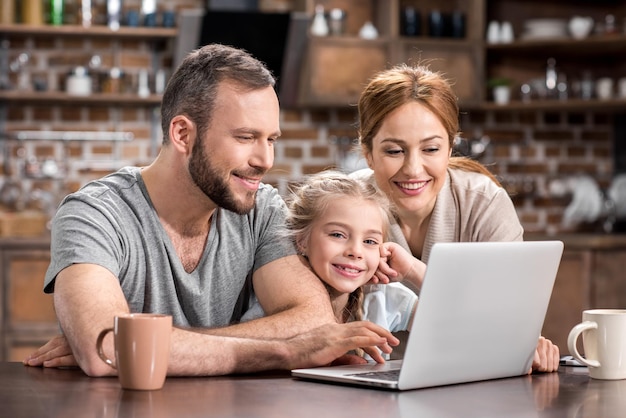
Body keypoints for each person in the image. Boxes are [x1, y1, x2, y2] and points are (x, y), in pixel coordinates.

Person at [23, 44, 398, 376]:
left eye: (271, 140)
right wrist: (283, 351)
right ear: (183, 134)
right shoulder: (93, 215)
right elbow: (103, 351)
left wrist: (142, 346)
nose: (265, 159)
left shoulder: (260, 208)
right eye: (246, 137)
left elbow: (311, 320)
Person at [351, 63, 560, 372]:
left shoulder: (484, 203)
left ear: (450, 148)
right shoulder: (345, 205)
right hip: (365, 385)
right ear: (368, 152)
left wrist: (523, 340)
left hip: (469, 376)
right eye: (395, 151)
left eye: (431, 149)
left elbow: (507, 321)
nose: (413, 169)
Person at [242, 170, 418, 338]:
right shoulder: (274, 311)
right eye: (338, 235)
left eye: (370, 241)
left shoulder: (382, 297)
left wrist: (414, 269)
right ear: (302, 240)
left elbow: (445, 325)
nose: (356, 252)